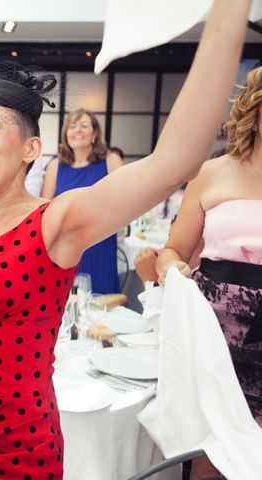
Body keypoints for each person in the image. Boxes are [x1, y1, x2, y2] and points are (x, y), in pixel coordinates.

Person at [0, 2, 249, 477]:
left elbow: (174, 160)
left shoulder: (56, 222)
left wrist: (228, 14)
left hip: (18, 446)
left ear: (30, 149)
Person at [156, 63, 262, 479]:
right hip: (214, 340)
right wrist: (171, 269)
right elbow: (173, 249)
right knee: (211, 456)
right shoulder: (213, 172)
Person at [41, 108, 124, 294]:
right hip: (64, 247)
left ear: (94, 134)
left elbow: (125, 200)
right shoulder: (55, 166)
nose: (77, 130)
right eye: (72, 126)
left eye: (84, 126)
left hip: (99, 243)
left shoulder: (111, 160)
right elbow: (44, 210)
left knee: (100, 308)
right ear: (66, 134)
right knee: (65, 306)